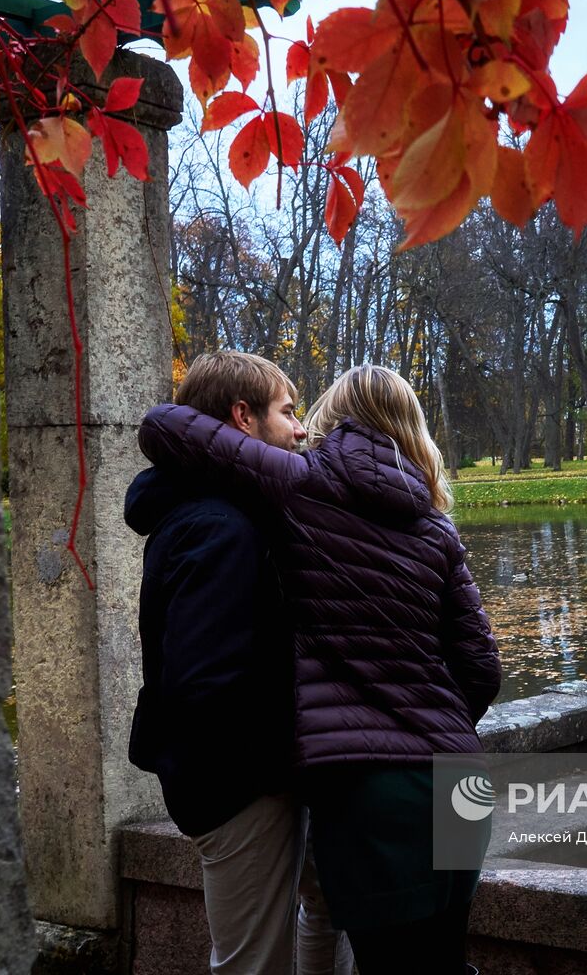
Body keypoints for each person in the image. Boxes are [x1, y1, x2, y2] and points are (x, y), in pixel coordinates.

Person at [138, 363, 501, 975]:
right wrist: (429, 719)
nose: (301, 428)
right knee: (446, 961)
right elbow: (481, 667)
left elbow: (164, 426)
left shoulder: (303, 490)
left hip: (375, 797)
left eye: (309, 415)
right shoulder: (437, 525)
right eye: (289, 412)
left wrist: (378, 725)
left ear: (334, 420)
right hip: (463, 780)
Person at [124, 350, 351, 975]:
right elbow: (205, 686)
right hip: (239, 786)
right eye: (289, 412)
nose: (302, 428)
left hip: (244, 778)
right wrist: (281, 762)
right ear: (243, 417)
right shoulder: (221, 526)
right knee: (252, 964)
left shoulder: (219, 512)